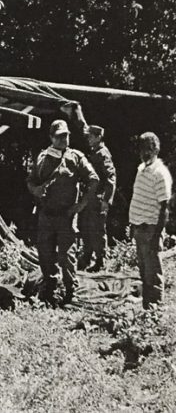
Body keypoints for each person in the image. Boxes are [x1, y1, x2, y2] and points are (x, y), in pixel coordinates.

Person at [27, 119, 99, 306]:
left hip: (66, 216)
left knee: (67, 256)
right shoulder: (42, 158)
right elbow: (31, 181)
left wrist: (80, 205)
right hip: (46, 215)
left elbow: (93, 180)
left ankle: (70, 291)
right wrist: (36, 190)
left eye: (66, 135)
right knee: (45, 254)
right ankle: (49, 288)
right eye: (59, 136)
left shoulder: (76, 158)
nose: (63, 139)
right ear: (52, 138)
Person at [62, 103, 117, 271]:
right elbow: (84, 128)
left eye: (92, 136)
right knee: (86, 227)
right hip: (90, 197)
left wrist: (106, 200)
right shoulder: (95, 150)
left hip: (98, 198)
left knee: (97, 230)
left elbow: (111, 177)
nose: (88, 138)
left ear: (98, 137)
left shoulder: (102, 154)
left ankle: (100, 261)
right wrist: (75, 113)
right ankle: (87, 257)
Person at [129, 132, 172, 309]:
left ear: (156, 149)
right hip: (139, 227)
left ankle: (155, 311)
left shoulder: (160, 173)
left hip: (151, 229)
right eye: (142, 149)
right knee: (143, 271)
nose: (145, 153)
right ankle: (147, 308)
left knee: (153, 272)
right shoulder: (141, 169)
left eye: (149, 149)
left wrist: (156, 236)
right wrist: (133, 225)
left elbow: (164, 208)